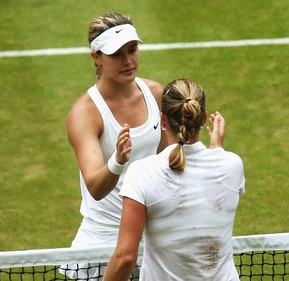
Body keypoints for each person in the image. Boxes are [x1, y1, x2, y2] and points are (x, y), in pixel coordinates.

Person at [103, 78, 246, 281]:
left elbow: (125, 257)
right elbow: (207, 182)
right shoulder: (231, 165)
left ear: (162, 120)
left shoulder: (142, 173)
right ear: (203, 118)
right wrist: (217, 151)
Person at [59, 11, 166, 280]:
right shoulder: (85, 114)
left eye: (133, 50)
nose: (128, 61)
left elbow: (168, 159)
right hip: (103, 244)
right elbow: (95, 187)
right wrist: (117, 161)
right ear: (96, 57)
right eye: (117, 54)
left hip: (151, 240)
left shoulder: (155, 94)